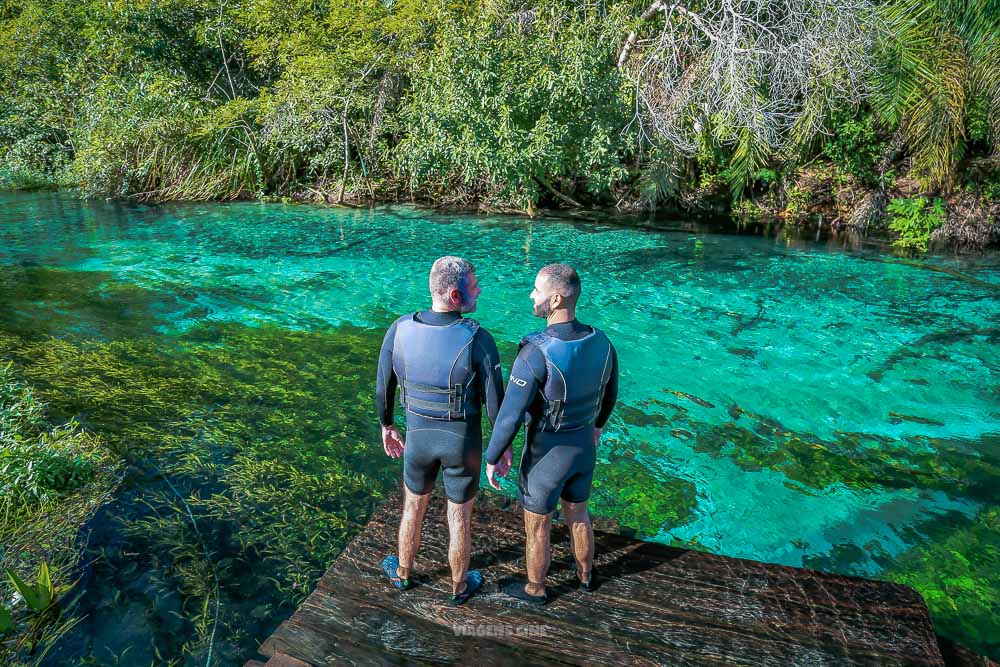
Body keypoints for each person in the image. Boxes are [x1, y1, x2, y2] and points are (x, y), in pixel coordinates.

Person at [375, 256, 506, 605]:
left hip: (418, 441)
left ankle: (403, 572)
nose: (479, 289)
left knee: (412, 508)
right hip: (461, 445)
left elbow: (383, 389)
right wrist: (500, 449)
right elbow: (497, 405)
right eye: (474, 285)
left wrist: (387, 425)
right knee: (459, 518)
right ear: (455, 295)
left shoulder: (399, 329)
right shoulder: (478, 339)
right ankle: (459, 587)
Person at [485, 263, 618, 604]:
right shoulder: (602, 342)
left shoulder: (535, 352)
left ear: (556, 299)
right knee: (579, 515)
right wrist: (598, 426)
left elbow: (510, 415)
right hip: (583, 448)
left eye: (537, 290)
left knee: (538, 528)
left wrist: (493, 455)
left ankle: (536, 589)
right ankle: (586, 576)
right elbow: (611, 393)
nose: (532, 295)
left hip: (546, 455)